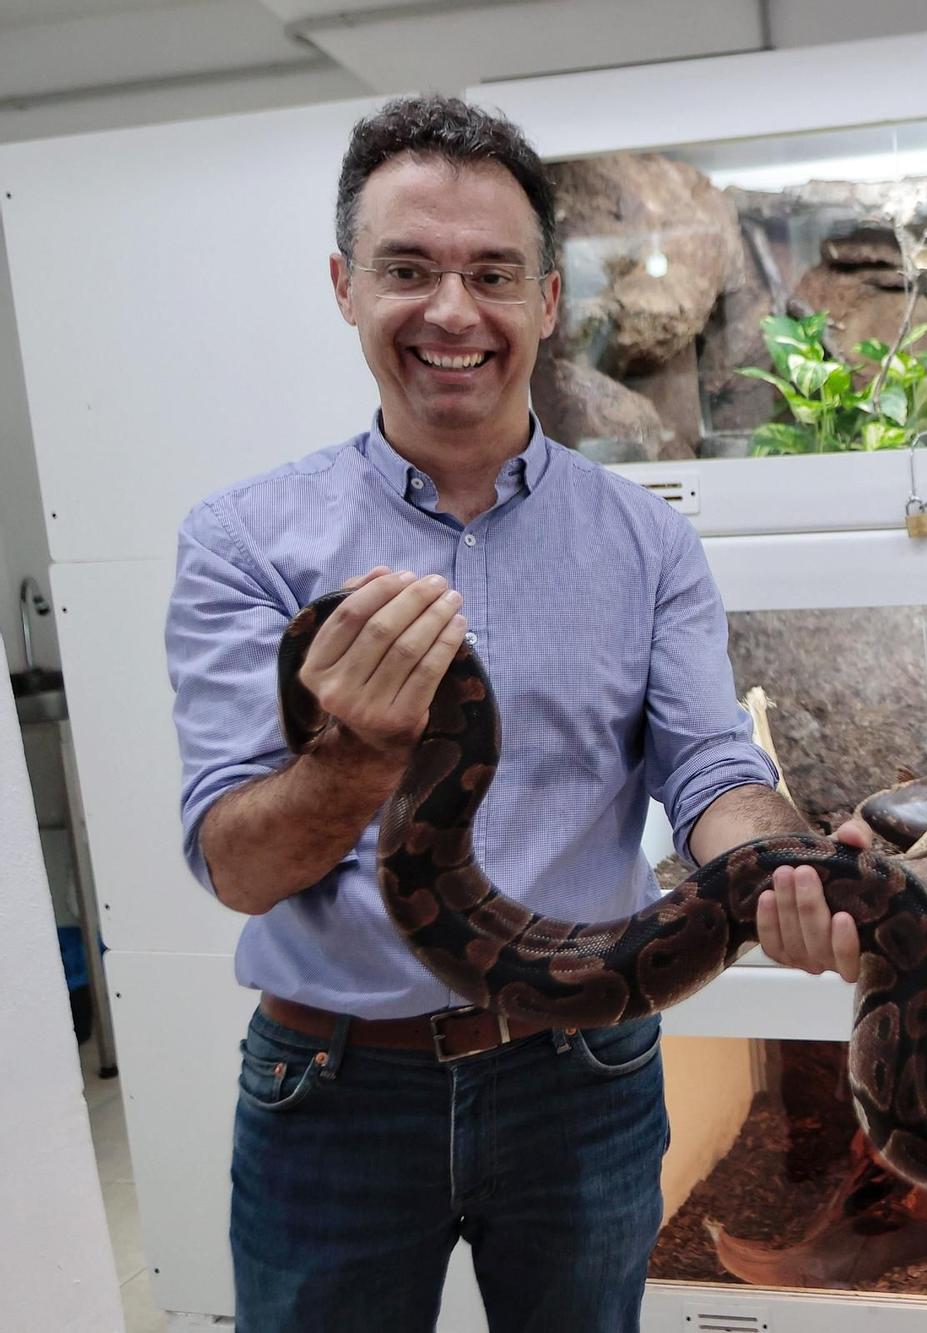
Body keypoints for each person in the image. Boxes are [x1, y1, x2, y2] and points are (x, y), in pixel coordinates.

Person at [165, 94, 863, 1333]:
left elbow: (708, 765)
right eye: (407, 270)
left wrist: (782, 863)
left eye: (492, 272)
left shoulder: (646, 541)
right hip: (330, 1084)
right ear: (344, 286)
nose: (451, 311)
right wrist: (358, 756)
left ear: (545, 301)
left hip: (579, 1078)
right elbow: (238, 866)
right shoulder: (244, 543)